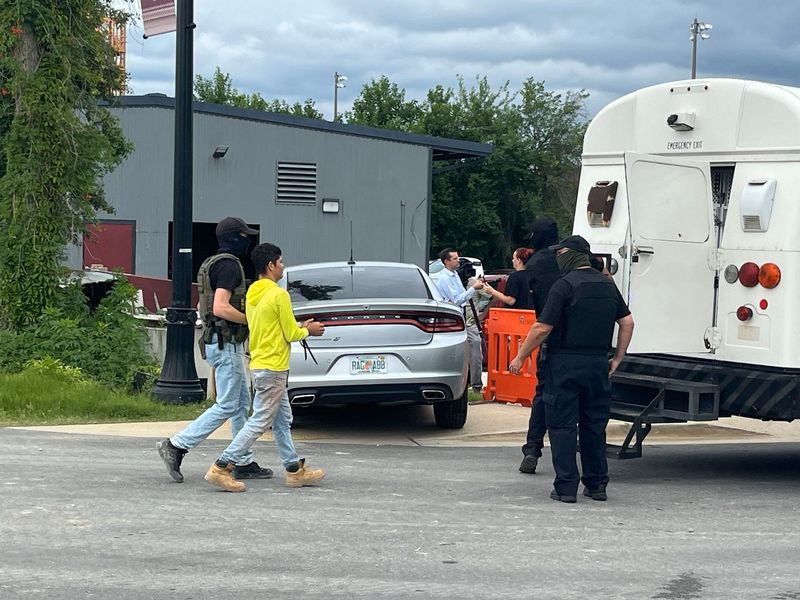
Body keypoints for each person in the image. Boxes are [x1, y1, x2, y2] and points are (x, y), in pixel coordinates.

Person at [509, 235, 634, 503]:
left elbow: (542, 327)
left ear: (573, 255)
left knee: (563, 426)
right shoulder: (607, 285)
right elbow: (627, 322)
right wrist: (618, 358)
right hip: (598, 365)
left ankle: (566, 488)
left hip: (564, 363)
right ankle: (597, 485)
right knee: (593, 425)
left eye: (560, 252)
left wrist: (520, 357)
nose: (557, 257)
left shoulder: (564, 285)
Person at [156, 216, 272, 483]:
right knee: (229, 403)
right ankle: (176, 445)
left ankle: (241, 459)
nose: (248, 241)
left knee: (242, 403)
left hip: (219, 340)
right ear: (235, 238)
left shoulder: (212, 263)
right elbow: (220, 307)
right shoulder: (229, 267)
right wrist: (253, 321)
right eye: (244, 236)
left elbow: (207, 307)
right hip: (226, 342)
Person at [204, 242, 326, 492]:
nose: (283, 266)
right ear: (271, 266)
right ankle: (221, 466)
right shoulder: (279, 294)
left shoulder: (253, 293)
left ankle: (294, 470)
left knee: (282, 420)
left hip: (260, 363)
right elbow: (291, 333)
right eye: (280, 262)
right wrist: (309, 330)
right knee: (260, 420)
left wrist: (296, 325)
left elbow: (269, 324)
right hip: (275, 368)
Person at [514, 219, 561, 474]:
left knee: (543, 396)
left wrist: (521, 356)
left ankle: (532, 448)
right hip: (587, 338)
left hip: (550, 335)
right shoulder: (575, 257)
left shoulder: (536, 264)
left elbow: (541, 313)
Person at [435, 248, 485, 391]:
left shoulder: (454, 274)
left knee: (475, 346)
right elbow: (457, 299)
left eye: (458, 258)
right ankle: (469, 383)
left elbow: (461, 296)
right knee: (463, 349)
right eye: (455, 259)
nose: (458, 261)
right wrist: (474, 288)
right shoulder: (444, 278)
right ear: (446, 261)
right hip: (453, 318)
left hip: (462, 316)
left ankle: (475, 383)